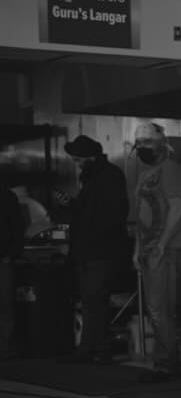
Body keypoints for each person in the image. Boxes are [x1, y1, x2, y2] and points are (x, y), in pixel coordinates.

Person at [56, 135, 130, 364]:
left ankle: (95, 347)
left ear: (90, 157)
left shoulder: (104, 178)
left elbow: (110, 215)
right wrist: (73, 205)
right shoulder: (104, 176)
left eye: (78, 159)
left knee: (93, 300)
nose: (77, 164)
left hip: (97, 250)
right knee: (93, 300)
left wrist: (74, 208)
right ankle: (95, 347)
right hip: (96, 249)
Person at [126, 121, 181, 381]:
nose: (143, 147)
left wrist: (162, 244)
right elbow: (141, 218)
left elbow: (177, 209)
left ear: (161, 143)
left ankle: (168, 363)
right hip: (150, 248)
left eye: (148, 142)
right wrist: (137, 250)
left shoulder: (170, 169)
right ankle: (165, 361)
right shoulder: (145, 173)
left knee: (159, 309)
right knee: (156, 309)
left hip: (166, 249)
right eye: (139, 143)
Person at [0, 180, 26, 360]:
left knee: (6, 304)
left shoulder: (7, 197)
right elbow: (17, 227)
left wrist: (11, 254)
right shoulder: (7, 196)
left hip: (4, 258)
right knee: (6, 305)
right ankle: (7, 348)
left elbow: (17, 228)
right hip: (4, 258)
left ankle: (7, 348)